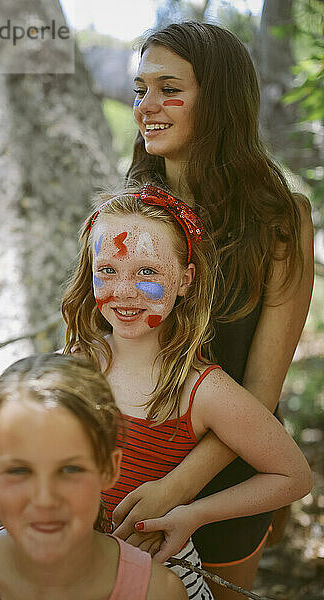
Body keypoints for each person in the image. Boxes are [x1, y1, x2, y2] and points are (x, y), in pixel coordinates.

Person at [119, 21, 315, 598]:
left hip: (230, 479)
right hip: (129, 475)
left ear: (221, 98)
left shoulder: (282, 220)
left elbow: (260, 390)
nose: (146, 106)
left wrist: (179, 489)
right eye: (139, 89)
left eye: (168, 88)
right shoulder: (126, 216)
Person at [61, 186, 312, 599]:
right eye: (107, 270)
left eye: (147, 272)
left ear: (185, 281)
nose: (124, 291)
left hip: (154, 580)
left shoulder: (201, 389)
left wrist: (192, 515)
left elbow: (294, 476)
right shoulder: (73, 364)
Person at [0, 353, 189, 600]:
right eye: (19, 471)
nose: (45, 499)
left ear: (108, 469)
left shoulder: (156, 592)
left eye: (70, 470)